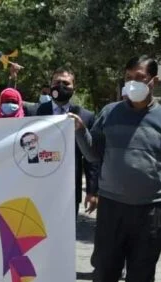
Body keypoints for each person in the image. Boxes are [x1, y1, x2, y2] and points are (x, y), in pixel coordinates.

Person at [72, 55, 161, 282]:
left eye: (140, 77)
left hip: (151, 211)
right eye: (128, 77)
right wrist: (80, 131)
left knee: (141, 278)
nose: (133, 83)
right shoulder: (109, 113)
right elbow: (94, 154)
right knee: (104, 270)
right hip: (112, 206)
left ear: (154, 80)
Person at [37, 67, 98, 216]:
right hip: (38, 187)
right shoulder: (35, 113)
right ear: (50, 85)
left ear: (74, 88)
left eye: (66, 83)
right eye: (56, 82)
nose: (60, 86)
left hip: (69, 190)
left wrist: (92, 191)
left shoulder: (86, 117)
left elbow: (91, 158)